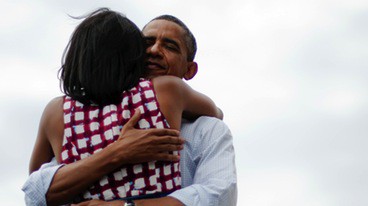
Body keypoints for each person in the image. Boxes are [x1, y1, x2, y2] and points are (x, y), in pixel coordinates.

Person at [23, 13, 237, 206]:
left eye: (170, 46)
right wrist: (118, 152)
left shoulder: (62, 114)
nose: (154, 50)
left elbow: (218, 195)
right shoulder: (169, 91)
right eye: (147, 43)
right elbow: (37, 190)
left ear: (190, 70)